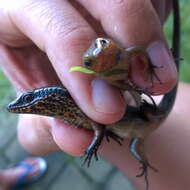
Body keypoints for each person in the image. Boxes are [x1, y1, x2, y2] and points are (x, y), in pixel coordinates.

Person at [0, 0, 189, 189]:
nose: (26, 103)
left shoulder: (72, 107)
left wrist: (92, 148)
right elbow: (98, 126)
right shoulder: (68, 110)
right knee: (135, 147)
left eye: (28, 99)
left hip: (141, 120)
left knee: (134, 137)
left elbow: (98, 128)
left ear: (50, 97)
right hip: (138, 126)